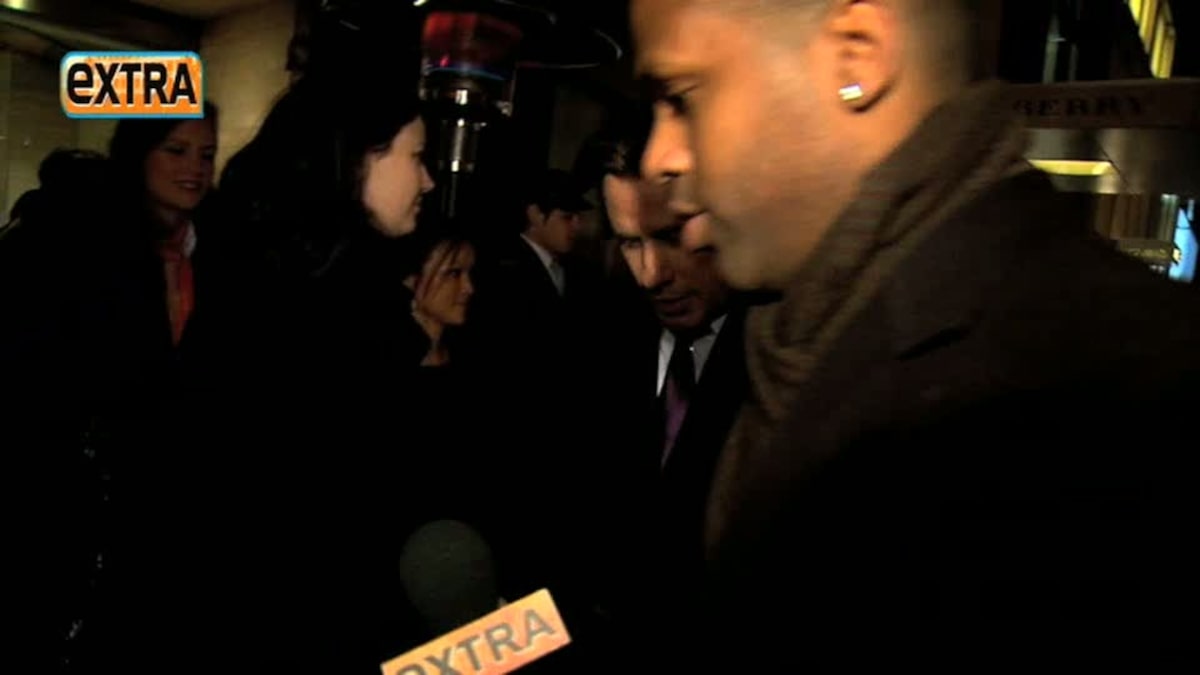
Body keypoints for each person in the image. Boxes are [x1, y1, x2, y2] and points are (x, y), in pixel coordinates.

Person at [632, 0, 1200, 668]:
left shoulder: (1110, 396)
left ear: (857, 57)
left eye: (682, 98)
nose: (657, 158)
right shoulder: (789, 334)